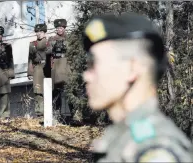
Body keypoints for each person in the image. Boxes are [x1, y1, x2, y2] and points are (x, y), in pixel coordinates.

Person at [82, 13, 193, 162]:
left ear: (132, 69)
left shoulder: (155, 150)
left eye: (93, 64)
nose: (86, 76)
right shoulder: (126, 138)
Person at [46, 19, 73, 124]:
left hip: (67, 66)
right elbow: (48, 52)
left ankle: (72, 115)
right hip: (56, 66)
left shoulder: (70, 38)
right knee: (56, 92)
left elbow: (73, 51)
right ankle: (57, 116)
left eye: (61, 28)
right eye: (57, 28)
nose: (59, 30)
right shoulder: (52, 39)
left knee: (69, 92)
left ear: (64, 28)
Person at [27, 23, 50, 117]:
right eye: (37, 32)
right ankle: (40, 113)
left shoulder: (49, 43)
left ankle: (50, 112)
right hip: (37, 68)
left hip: (48, 67)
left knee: (49, 90)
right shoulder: (32, 44)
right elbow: (30, 59)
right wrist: (30, 72)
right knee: (38, 91)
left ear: (44, 32)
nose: (39, 34)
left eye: (41, 32)